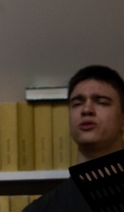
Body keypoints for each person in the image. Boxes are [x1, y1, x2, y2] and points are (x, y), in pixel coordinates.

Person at [24, 65, 124, 211]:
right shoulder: (41, 209)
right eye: (77, 104)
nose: (86, 110)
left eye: (101, 102)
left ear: (122, 119)